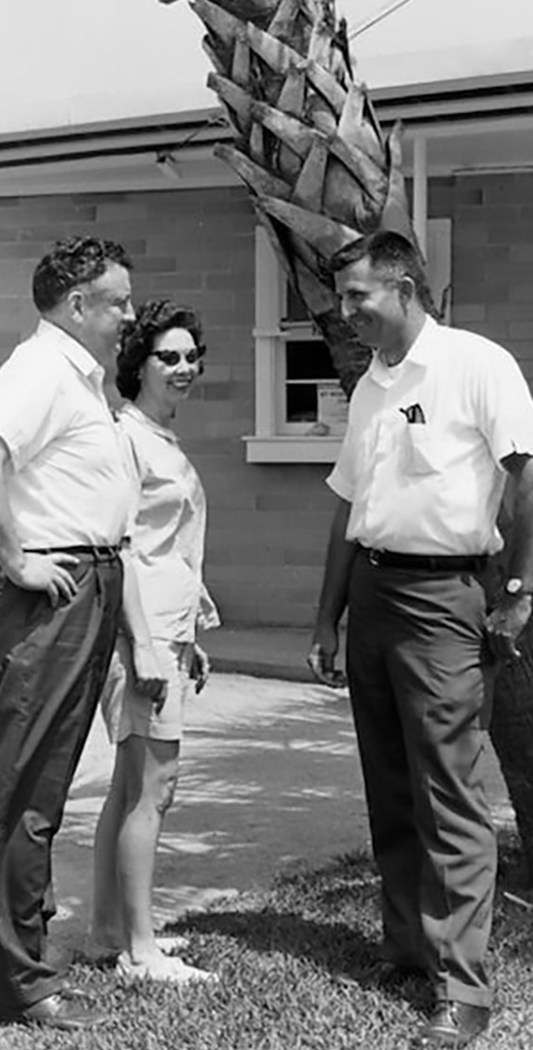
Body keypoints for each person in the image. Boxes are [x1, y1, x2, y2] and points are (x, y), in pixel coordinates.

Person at [307, 230, 533, 1049]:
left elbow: (525, 471)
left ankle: (464, 991)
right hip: (373, 592)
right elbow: (347, 505)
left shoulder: (477, 365)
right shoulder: (371, 385)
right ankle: (408, 951)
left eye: (358, 295)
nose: (346, 311)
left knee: (450, 794)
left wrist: (520, 592)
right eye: (343, 298)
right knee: (391, 782)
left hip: (445, 596)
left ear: (404, 288)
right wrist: (327, 617)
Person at [0, 236, 165, 1031]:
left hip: (88, 588)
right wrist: (19, 562)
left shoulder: (82, 380)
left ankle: (28, 959)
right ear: (77, 305)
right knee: (27, 795)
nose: (130, 317)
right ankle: (21, 986)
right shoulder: (40, 371)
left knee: (43, 790)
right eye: (119, 303)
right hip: (52, 597)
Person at [90, 299, 220, 983]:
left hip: (168, 630)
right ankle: (140, 952)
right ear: (137, 365)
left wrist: (191, 631)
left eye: (191, 356)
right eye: (168, 356)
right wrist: (142, 644)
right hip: (142, 639)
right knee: (155, 787)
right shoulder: (126, 437)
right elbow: (124, 548)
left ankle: (108, 932)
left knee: (129, 786)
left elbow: (173, 549)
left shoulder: (159, 437)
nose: (184, 367)